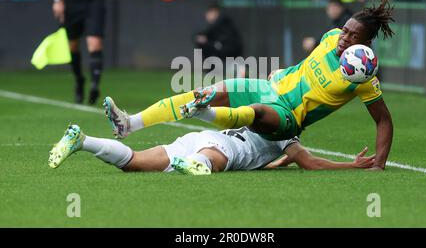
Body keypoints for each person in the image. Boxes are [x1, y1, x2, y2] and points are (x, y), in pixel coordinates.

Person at [104, 0, 395, 171]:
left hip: (288, 117)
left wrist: (379, 164)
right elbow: (308, 66)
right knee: (203, 92)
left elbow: (383, 120)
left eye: (352, 36)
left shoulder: (363, 78)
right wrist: (282, 73)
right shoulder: (330, 37)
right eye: (345, 30)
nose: (344, 38)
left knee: (255, 111)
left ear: (366, 42)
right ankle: (130, 124)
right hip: (271, 88)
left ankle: (203, 115)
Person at [48, 125, 376, 174]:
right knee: (214, 161)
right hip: (218, 147)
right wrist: (352, 165)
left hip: (200, 136)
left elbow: (290, 161)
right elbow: (310, 163)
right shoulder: (287, 135)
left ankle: (83, 141)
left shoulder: (259, 112)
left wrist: (275, 164)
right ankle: (193, 164)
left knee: (132, 162)